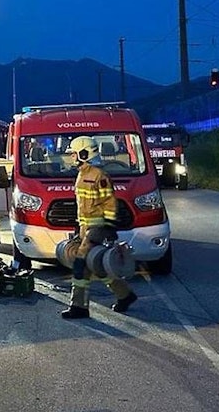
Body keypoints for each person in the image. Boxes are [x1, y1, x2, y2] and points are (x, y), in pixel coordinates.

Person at [61, 136, 138, 319]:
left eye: (73, 154)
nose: (71, 157)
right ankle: (125, 295)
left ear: (84, 153)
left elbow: (110, 203)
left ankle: (79, 307)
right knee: (94, 266)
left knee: (80, 265)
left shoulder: (99, 175)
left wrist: (109, 227)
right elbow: (83, 205)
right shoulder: (82, 173)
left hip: (97, 228)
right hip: (85, 227)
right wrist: (78, 225)